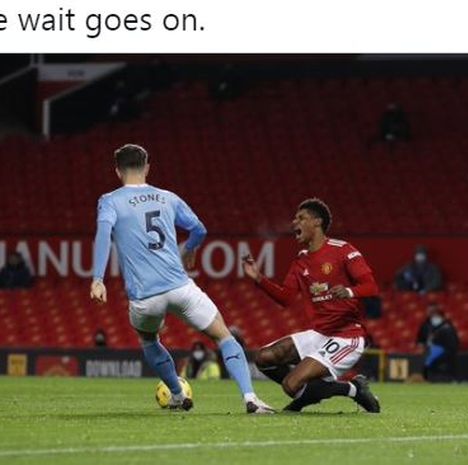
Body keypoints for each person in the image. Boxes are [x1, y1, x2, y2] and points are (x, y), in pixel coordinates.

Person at [89, 144, 272, 414]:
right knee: (223, 336)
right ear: (147, 167)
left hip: (146, 297)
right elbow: (199, 229)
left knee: (148, 339)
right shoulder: (168, 198)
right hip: (181, 288)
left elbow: (103, 235)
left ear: (117, 171)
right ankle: (250, 398)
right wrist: (188, 250)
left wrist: (97, 278)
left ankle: (176, 393)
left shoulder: (110, 200)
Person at [243, 198, 381, 413]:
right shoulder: (301, 261)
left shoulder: (342, 249)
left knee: (291, 384)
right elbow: (286, 298)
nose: (293, 222)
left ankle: (350, 389)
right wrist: (259, 278)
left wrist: (349, 291)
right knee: (263, 357)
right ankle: (330, 390)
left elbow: (371, 286)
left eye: (301, 218)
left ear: (317, 222)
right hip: (320, 334)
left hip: (347, 336)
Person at [415, 304, 459, 381]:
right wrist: (421, 346)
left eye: (433, 312)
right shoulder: (426, 325)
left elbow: (452, 343)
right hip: (429, 350)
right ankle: (425, 379)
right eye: (429, 312)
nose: (430, 314)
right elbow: (420, 339)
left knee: (432, 362)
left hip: (443, 351)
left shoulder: (447, 326)